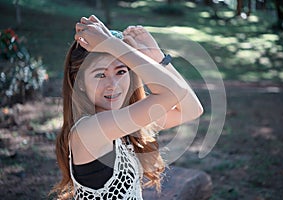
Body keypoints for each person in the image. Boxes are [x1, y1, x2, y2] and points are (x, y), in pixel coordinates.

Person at [52, 15, 203, 200]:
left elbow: (192, 109)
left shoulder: (124, 122)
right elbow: (172, 93)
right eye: (100, 75)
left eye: (121, 71)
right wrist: (111, 45)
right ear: (79, 82)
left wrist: (158, 57)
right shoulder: (90, 130)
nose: (113, 84)